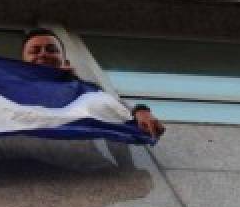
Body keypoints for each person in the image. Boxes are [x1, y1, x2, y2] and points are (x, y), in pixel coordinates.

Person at [21, 27, 165, 140]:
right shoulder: (12, 89)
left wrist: (140, 111)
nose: (43, 54)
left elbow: (110, 105)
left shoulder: (87, 91)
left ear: (66, 63)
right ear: (22, 64)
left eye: (51, 50)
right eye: (35, 51)